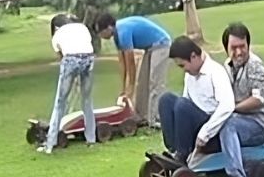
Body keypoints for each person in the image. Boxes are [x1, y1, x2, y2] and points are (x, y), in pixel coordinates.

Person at [157, 36, 235, 168]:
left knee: (182, 105)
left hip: (211, 133)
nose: (184, 70)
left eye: (183, 65)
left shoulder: (216, 72)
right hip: (193, 128)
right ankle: (174, 150)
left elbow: (227, 106)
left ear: (193, 56)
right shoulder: (190, 74)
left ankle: (182, 155)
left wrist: (205, 132)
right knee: (166, 100)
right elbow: (184, 103)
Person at [219, 23, 264, 177]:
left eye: (242, 46)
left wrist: (232, 109)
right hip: (240, 121)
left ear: (248, 45)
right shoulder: (226, 67)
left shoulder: (256, 65)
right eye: (234, 48)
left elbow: (258, 100)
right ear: (226, 48)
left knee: (228, 124)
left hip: (260, 124)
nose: (239, 52)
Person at [94, 13, 172, 128]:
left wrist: (130, 87)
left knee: (155, 82)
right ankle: (141, 116)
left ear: (109, 27)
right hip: (149, 48)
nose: (100, 35)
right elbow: (122, 63)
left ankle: (156, 118)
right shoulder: (117, 37)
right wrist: (123, 89)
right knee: (142, 83)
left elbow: (131, 64)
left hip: (161, 44)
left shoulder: (123, 32)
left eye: (101, 32)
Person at [39, 13, 97, 154]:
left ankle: (50, 144)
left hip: (71, 59)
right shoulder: (82, 27)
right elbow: (86, 47)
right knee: (87, 100)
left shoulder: (58, 34)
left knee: (60, 102)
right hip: (89, 58)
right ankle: (91, 139)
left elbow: (62, 57)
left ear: (57, 26)